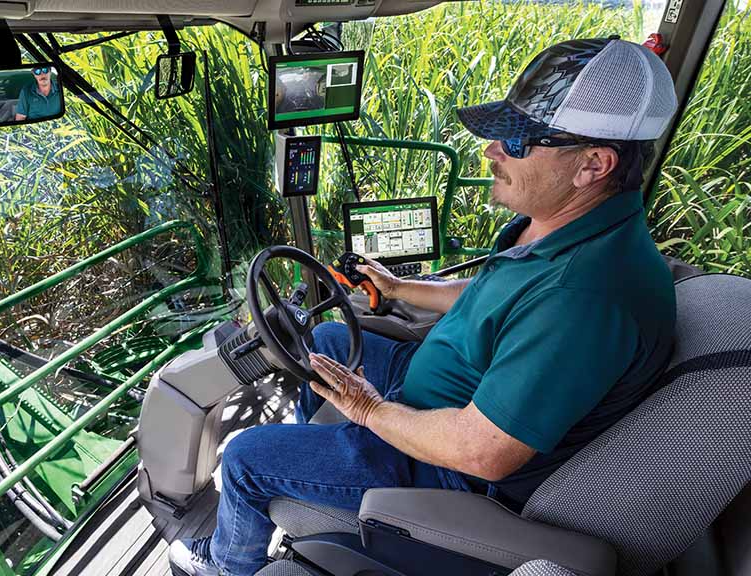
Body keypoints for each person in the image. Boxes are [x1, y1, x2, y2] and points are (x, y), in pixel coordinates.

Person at [169, 37, 680, 576]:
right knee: (324, 342)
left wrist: (369, 411)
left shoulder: (582, 298)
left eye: (517, 142)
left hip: (445, 466)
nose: (491, 152)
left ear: (593, 165)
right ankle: (319, 464)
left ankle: (229, 562)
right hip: (442, 387)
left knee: (248, 456)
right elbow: (493, 297)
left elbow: (484, 453)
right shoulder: (569, 231)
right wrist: (397, 289)